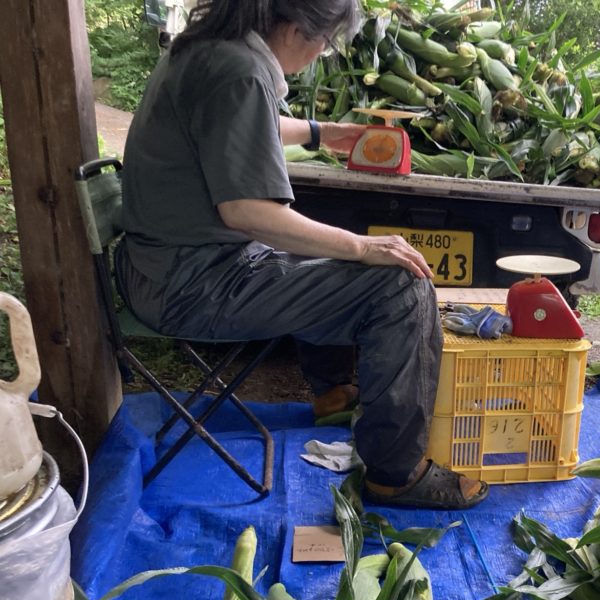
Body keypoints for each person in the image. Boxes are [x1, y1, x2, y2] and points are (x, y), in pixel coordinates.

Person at [116, 0, 488, 509]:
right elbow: (247, 211)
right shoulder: (240, 70)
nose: (321, 54)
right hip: (190, 284)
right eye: (327, 43)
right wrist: (362, 245)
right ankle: (396, 474)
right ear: (296, 30)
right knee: (400, 285)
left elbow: (248, 125)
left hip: (159, 266)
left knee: (339, 251)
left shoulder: (209, 48)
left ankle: (333, 395)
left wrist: (323, 134)